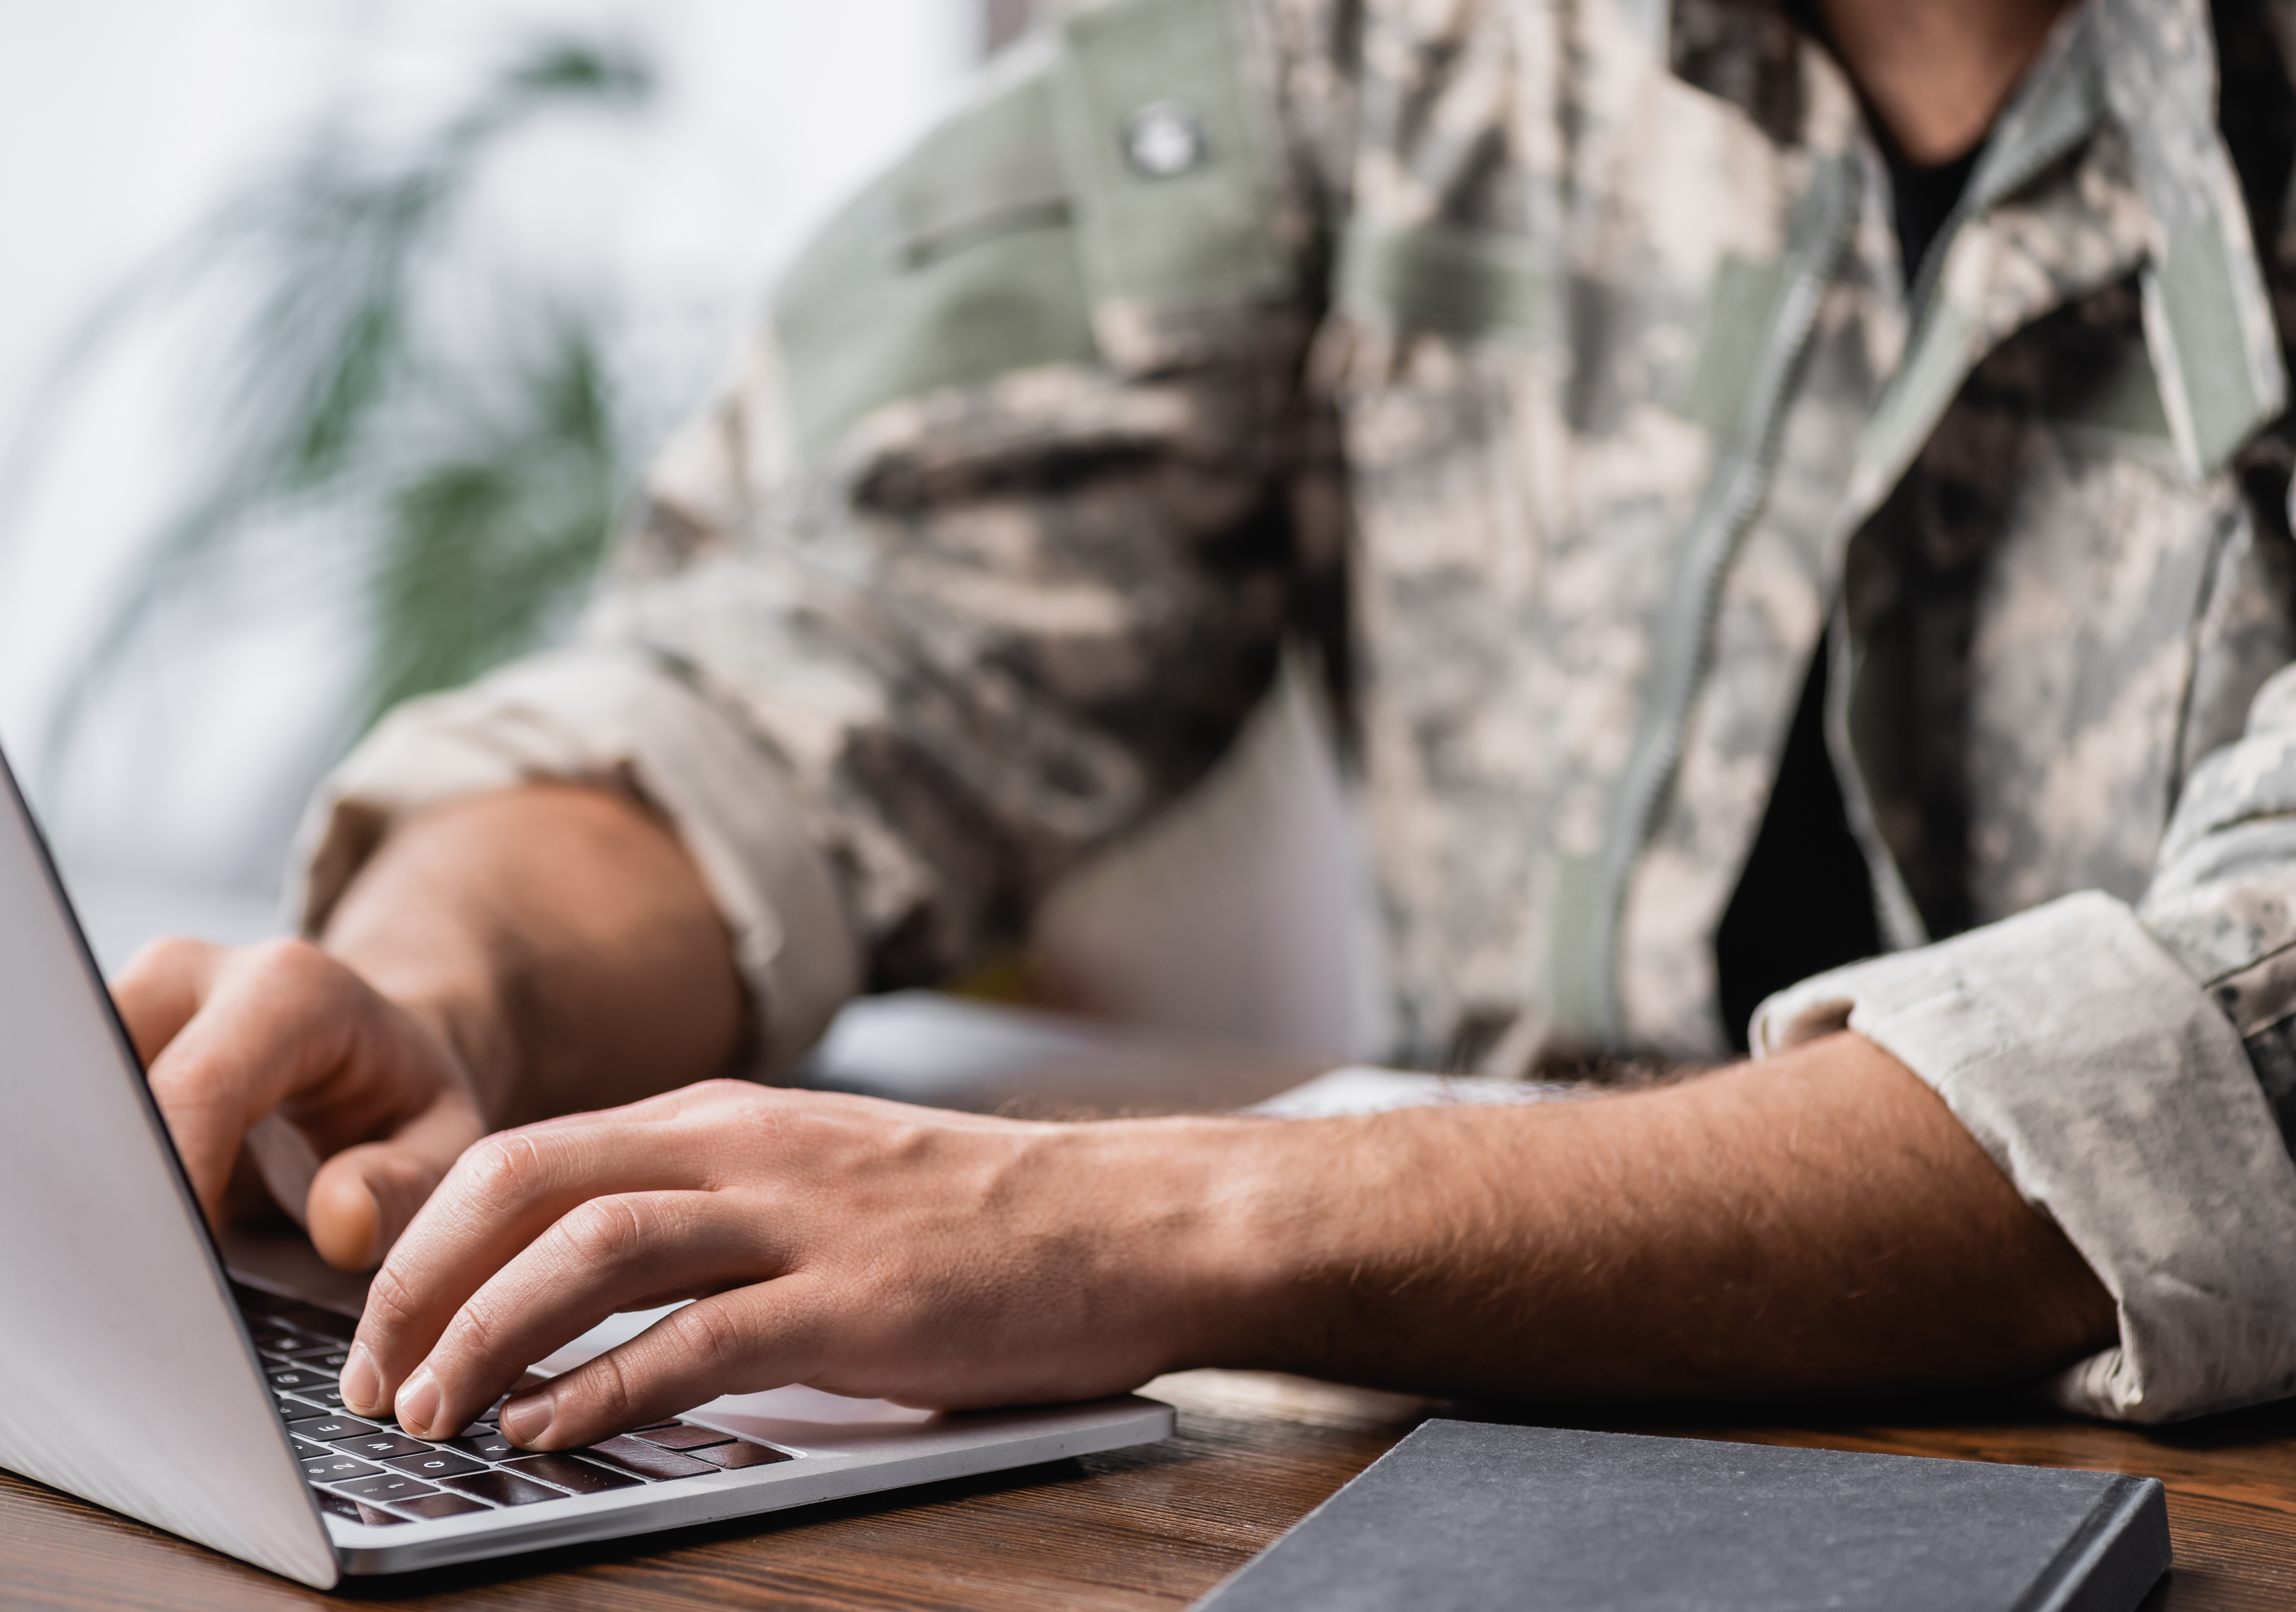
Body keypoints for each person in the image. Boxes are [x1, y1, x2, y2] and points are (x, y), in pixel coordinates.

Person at [116, 0, 2296, 1458]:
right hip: (1459, 1497)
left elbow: (2240, 1036)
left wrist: (1136, 1230)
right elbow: (847, 642)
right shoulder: (1362, 40)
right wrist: (437, 985)